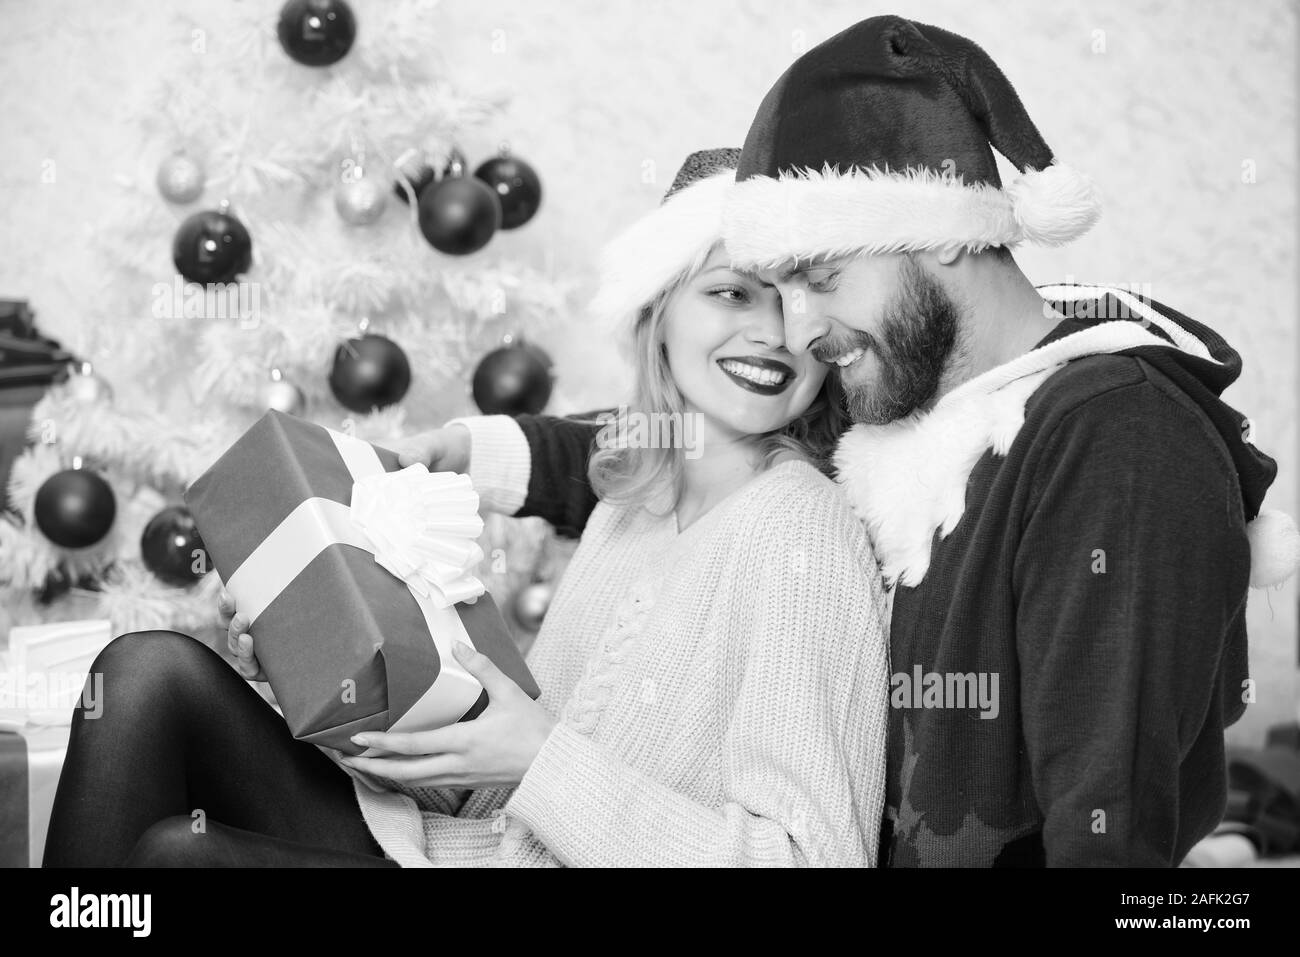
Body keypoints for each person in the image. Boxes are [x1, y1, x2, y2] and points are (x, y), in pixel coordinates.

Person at [401, 16, 1297, 866]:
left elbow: (1111, 843)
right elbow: (684, 444)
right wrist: (474, 451)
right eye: (770, 289)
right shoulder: (903, 405)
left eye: (821, 278)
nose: (798, 331)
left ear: (941, 231)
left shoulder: (1113, 439)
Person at [43, 149, 890, 868]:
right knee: (145, 674)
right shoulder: (634, 501)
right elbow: (490, 783)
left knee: (178, 857)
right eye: (734, 293)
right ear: (660, 307)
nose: (774, 333)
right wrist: (316, 668)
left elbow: (810, 858)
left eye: (797, 300)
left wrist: (543, 760)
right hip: (452, 843)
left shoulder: (800, 528)